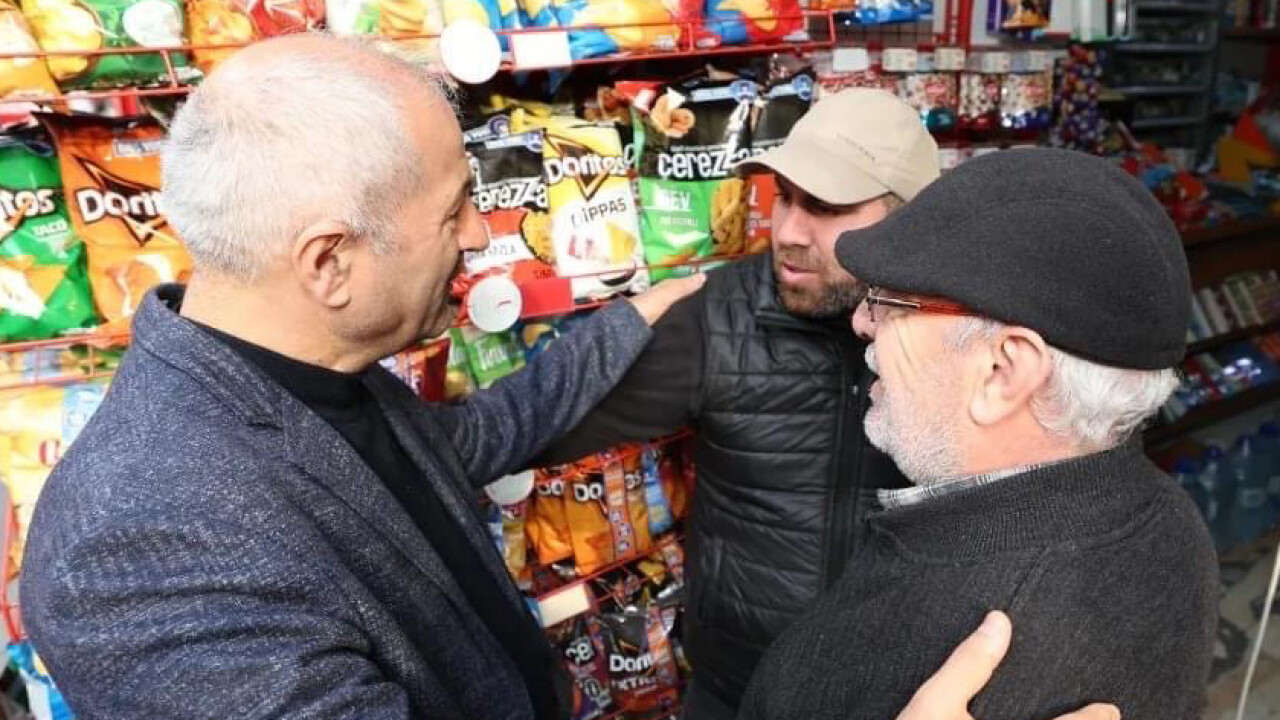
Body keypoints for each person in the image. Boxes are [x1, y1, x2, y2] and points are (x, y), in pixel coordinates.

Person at [20, 34, 703, 720]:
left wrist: (630, 320)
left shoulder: (310, 371)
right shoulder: (138, 552)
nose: (477, 235)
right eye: (454, 211)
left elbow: (465, 441)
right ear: (329, 263)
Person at [737, 147, 1218, 720]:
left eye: (891, 301)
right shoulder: (1174, 522)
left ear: (1002, 371)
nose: (862, 321)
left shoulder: (919, 649)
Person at [538, 87, 932, 719]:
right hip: (737, 693)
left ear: (909, 216)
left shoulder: (967, 333)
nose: (789, 233)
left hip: (902, 698)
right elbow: (534, 425)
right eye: (786, 198)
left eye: (826, 207)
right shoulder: (717, 319)